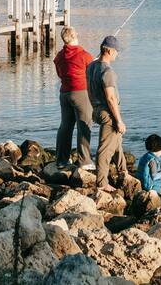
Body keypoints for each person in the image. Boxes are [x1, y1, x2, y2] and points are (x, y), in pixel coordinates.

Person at [88, 35, 127, 192]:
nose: (117, 53)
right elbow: (111, 98)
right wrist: (118, 120)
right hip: (108, 113)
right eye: (116, 51)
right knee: (105, 149)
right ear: (109, 51)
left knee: (117, 143)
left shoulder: (91, 67)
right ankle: (102, 183)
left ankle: (124, 171)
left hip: (95, 109)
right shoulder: (107, 71)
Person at [53, 26, 94, 170]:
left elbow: (59, 73)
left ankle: (61, 160)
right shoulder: (84, 55)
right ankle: (84, 161)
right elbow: (92, 73)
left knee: (65, 126)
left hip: (64, 93)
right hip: (80, 93)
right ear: (75, 35)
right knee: (84, 125)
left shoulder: (59, 56)